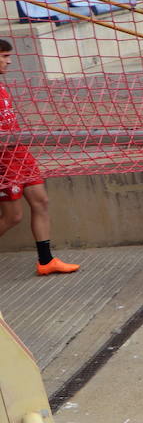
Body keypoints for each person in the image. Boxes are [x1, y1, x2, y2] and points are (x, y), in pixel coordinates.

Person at [0, 39, 78, 276]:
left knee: (41, 201)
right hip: (3, 159)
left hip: (20, 152)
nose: (9, 61)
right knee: (13, 216)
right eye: (3, 56)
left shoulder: (2, 86)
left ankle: (46, 260)